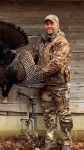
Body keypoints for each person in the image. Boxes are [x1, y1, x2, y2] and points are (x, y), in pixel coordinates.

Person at [32, 14, 73, 150]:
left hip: (60, 85)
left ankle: (66, 142)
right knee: (48, 114)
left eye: (51, 23)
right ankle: (51, 141)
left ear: (57, 25)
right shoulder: (42, 41)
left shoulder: (62, 42)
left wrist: (40, 73)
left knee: (64, 114)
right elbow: (32, 55)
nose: (49, 26)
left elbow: (56, 63)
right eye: (47, 24)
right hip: (45, 86)